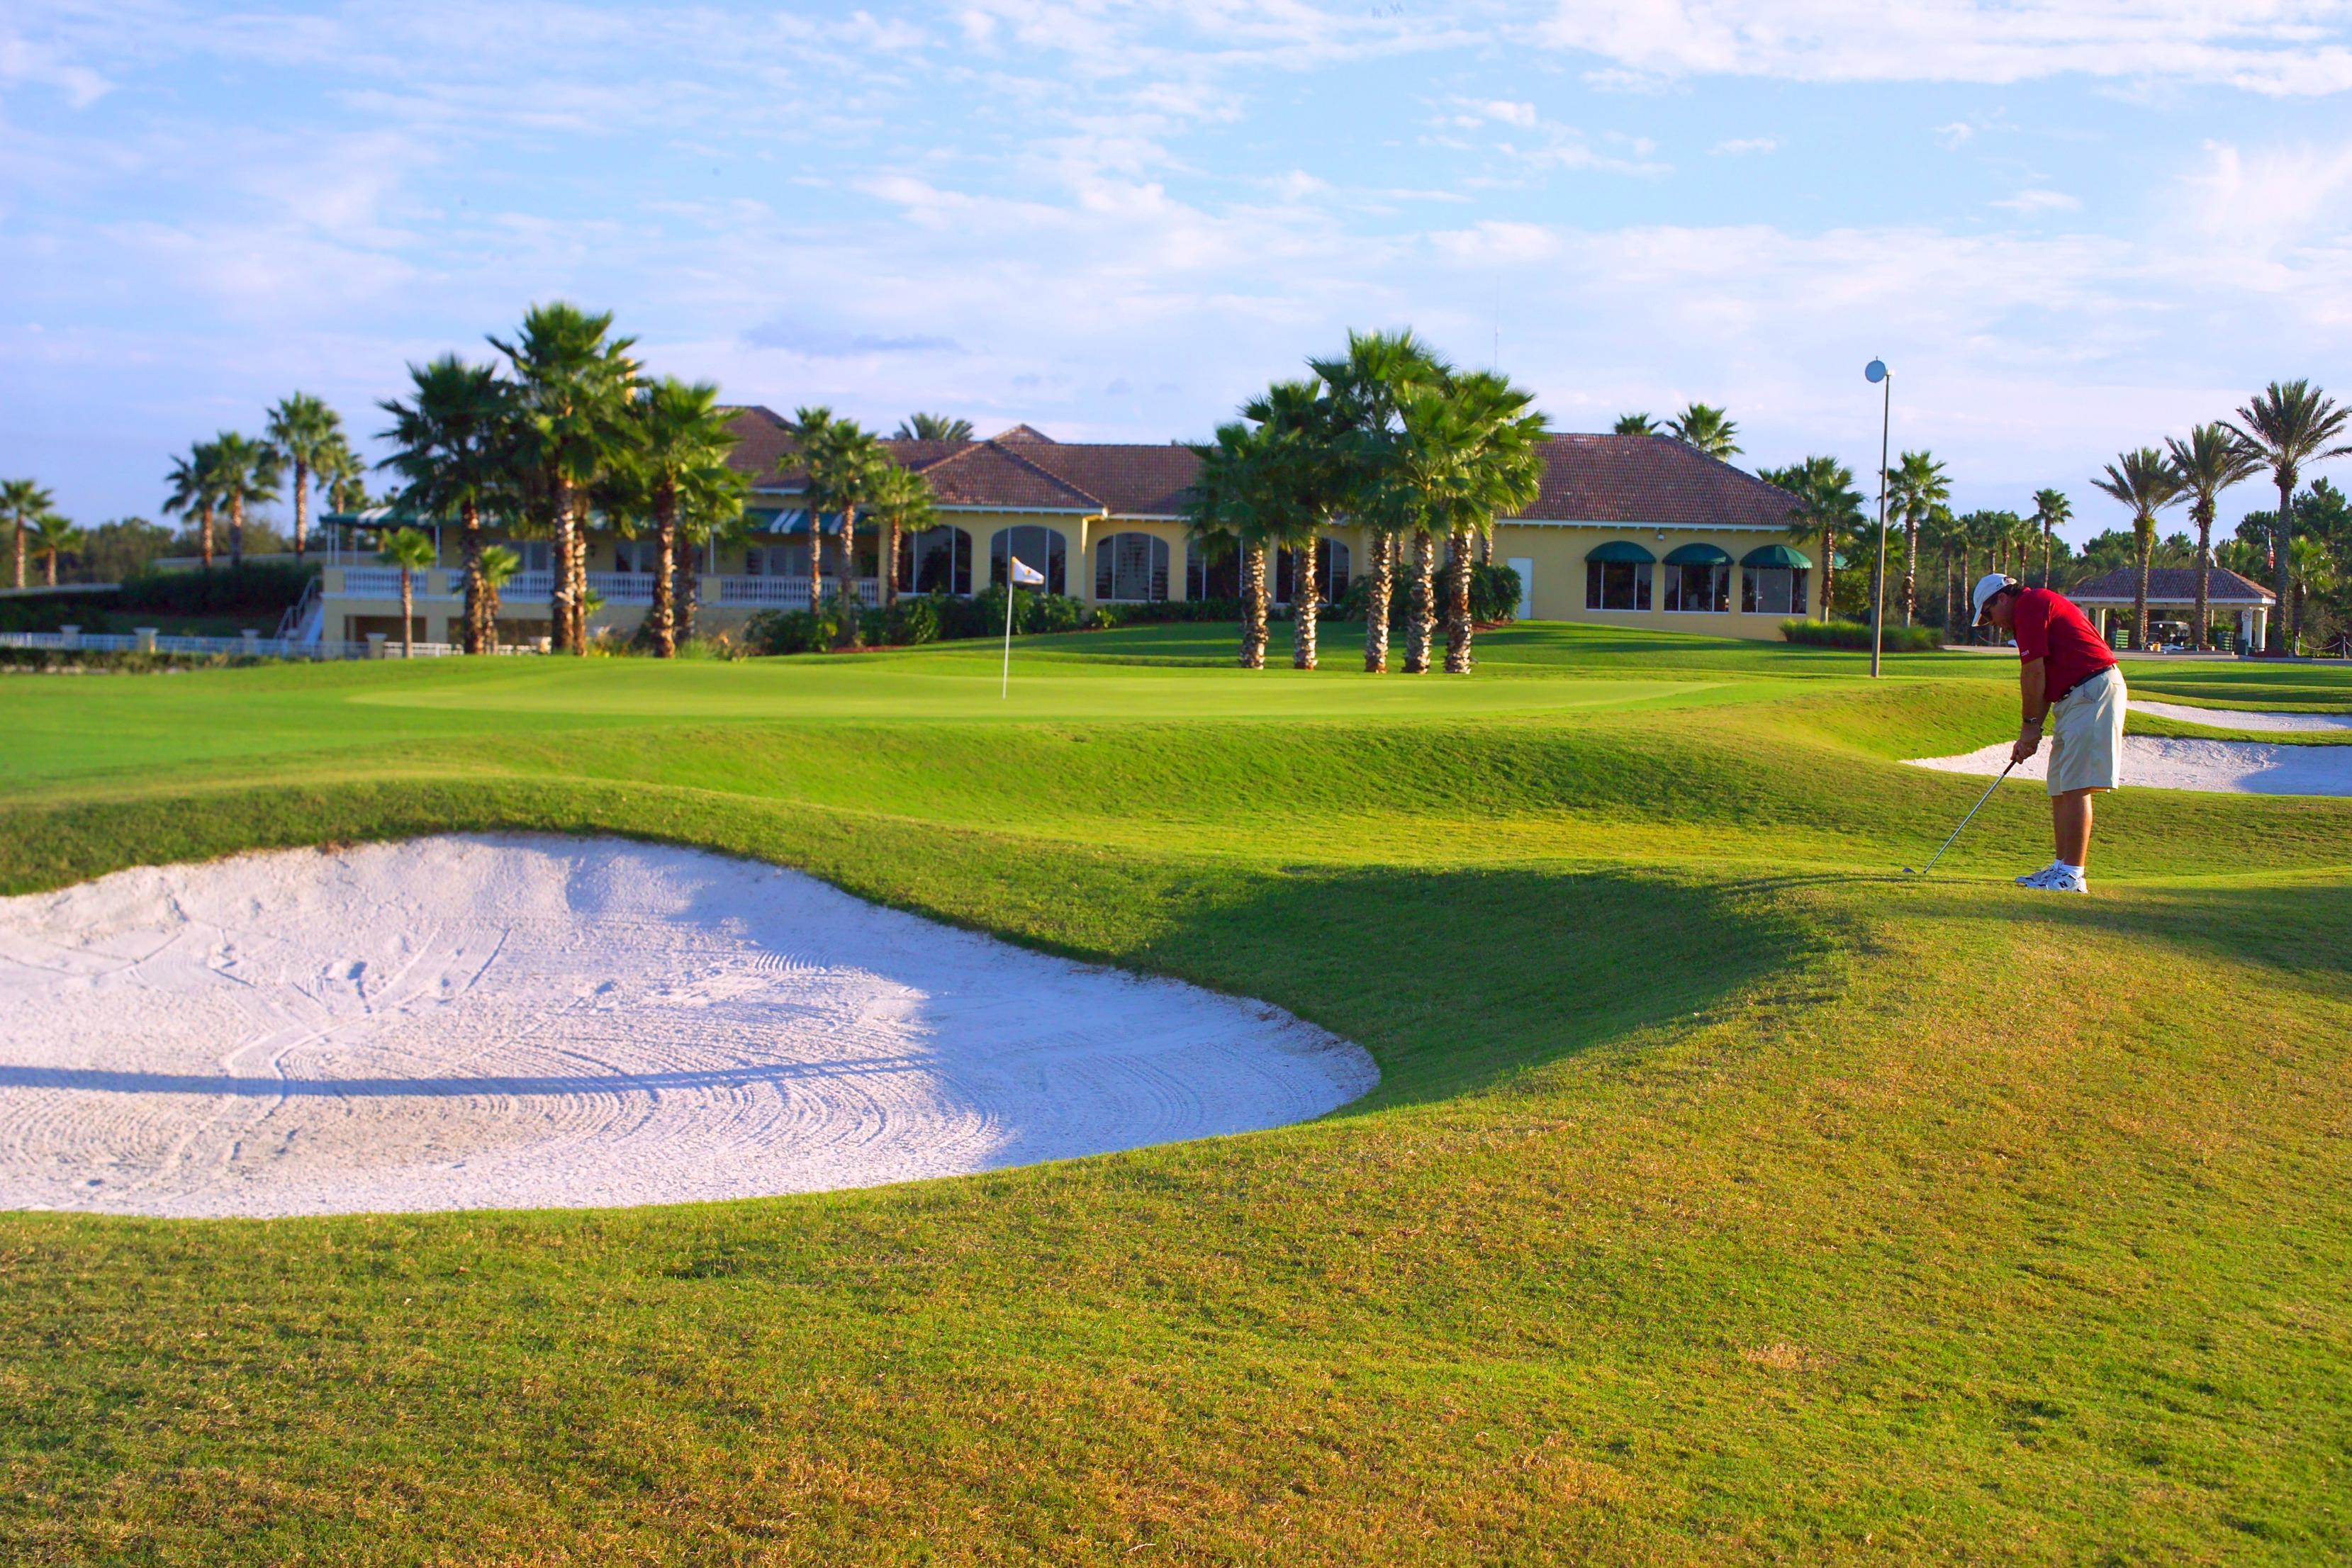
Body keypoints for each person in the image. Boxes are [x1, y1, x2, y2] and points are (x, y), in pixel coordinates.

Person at [1971, 573, 2124, 893]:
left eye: (1989, 615)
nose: (1994, 624)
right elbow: (2039, 684)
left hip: (2092, 691)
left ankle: (2073, 875)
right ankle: (2060, 867)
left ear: (2002, 597)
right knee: (2060, 784)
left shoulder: (2029, 605)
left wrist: (2029, 728)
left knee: (2076, 785)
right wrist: (2031, 732)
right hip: (2073, 697)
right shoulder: (2030, 609)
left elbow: (2032, 672)